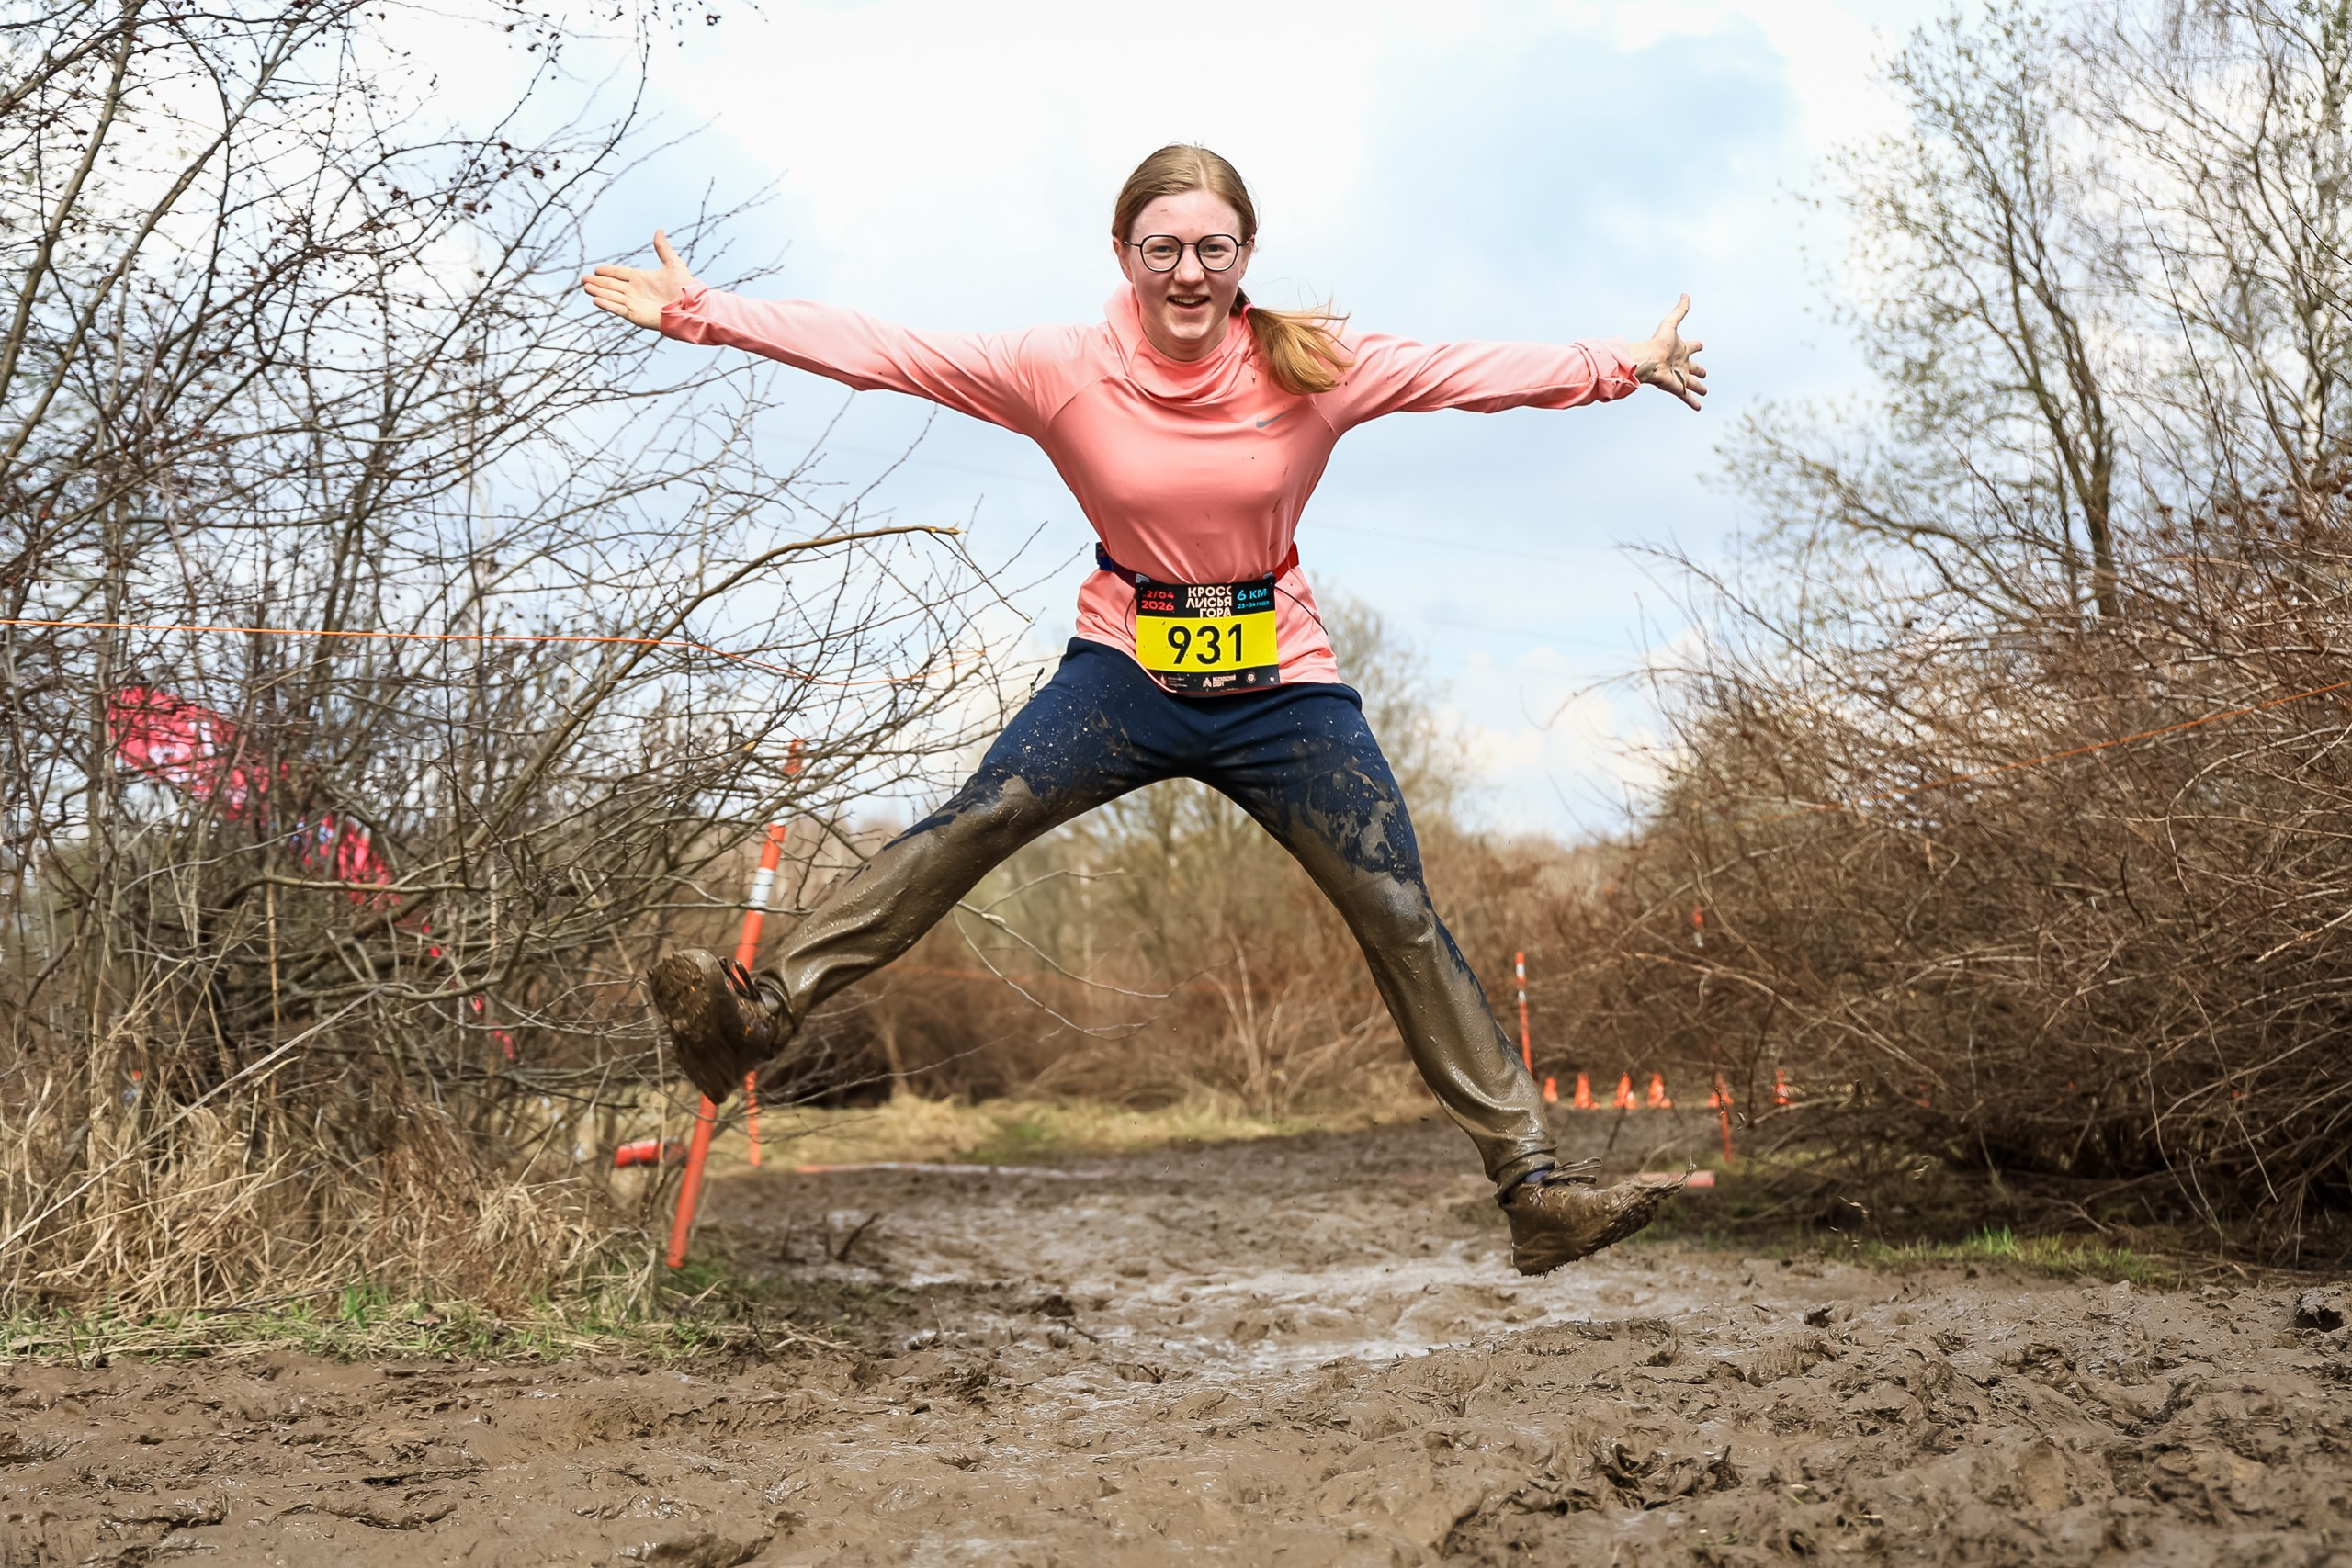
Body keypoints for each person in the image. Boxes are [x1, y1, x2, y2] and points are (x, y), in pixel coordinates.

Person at [582, 144, 1707, 1276]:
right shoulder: (1058, 367)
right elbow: (887, 354)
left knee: (1397, 913)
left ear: (1245, 256)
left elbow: (1472, 370)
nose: (1186, 272)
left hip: (1283, 684)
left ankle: (1535, 1190)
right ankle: (759, 1019)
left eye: (1212, 249)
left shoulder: (1313, 363)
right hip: (1125, 670)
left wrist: (1623, 361)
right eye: (1161, 248)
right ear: (1122, 254)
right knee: (974, 822)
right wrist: (701, 313)